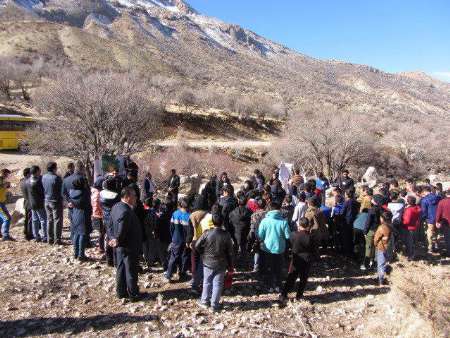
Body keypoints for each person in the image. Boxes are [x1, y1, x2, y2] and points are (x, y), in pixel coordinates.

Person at [109, 187, 144, 301]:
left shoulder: (116, 206)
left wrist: (112, 238)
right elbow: (122, 228)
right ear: (127, 197)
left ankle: (121, 292)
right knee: (131, 270)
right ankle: (133, 294)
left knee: (121, 268)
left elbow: (109, 225)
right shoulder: (125, 211)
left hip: (120, 246)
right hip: (128, 246)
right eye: (134, 195)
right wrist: (117, 239)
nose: (136, 198)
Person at [196, 211, 234, 312]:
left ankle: (204, 301)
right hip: (221, 262)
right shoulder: (226, 235)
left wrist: (203, 254)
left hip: (207, 261)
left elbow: (197, 246)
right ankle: (214, 305)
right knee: (218, 283)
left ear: (213, 222)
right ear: (222, 223)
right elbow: (230, 252)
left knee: (207, 281)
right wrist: (231, 265)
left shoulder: (207, 233)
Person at [258, 201, 291, 292]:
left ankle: (269, 286)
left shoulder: (264, 221)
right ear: (279, 209)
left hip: (267, 248)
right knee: (278, 268)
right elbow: (288, 236)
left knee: (268, 267)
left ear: (269, 209)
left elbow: (260, 235)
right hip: (279, 248)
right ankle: (278, 285)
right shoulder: (283, 222)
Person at [279, 217, 314, 303]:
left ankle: (284, 294)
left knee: (291, 277)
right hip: (306, 259)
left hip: (296, 258)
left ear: (299, 224)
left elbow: (289, 244)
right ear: (307, 226)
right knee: (303, 278)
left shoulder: (293, 235)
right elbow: (314, 249)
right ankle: (299, 295)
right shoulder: (310, 237)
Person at [165, 198, 191, 282]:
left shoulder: (175, 214)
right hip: (185, 240)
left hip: (176, 239)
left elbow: (171, 227)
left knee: (173, 257)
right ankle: (182, 274)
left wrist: (172, 237)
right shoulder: (189, 216)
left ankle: (169, 274)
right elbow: (190, 231)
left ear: (180, 205)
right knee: (184, 257)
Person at [69, 178, 92, 261]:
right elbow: (88, 204)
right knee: (82, 234)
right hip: (83, 214)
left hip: (75, 213)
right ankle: (81, 255)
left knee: (76, 233)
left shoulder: (71, 192)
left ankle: (75, 253)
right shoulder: (84, 193)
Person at [100, 178, 121, 266]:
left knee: (108, 238)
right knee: (115, 239)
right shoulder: (115, 196)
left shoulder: (102, 194)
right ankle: (116, 261)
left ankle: (109, 260)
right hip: (113, 218)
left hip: (105, 217)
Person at [42, 161, 63, 245]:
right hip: (55, 201)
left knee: (49, 220)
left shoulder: (43, 177)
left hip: (46, 200)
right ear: (54, 168)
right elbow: (61, 190)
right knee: (57, 220)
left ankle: (49, 239)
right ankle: (57, 239)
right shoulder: (56, 178)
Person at [62, 161, 86, 233]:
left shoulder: (66, 179)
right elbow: (87, 193)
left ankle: (74, 236)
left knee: (73, 220)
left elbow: (63, 192)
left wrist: (68, 201)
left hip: (72, 202)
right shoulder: (82, 179)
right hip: (79, 204)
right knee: (79, 223)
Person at [27, 166, 47, 243]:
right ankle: (44, 236)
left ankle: (36, 236)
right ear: (36, 171)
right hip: (39, 203)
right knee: (43, 219)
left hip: (31, 203)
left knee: (34, 220)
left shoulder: (28, 181)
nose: (40, 172)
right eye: (39, 171)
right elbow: (42, 193)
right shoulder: (37, 181)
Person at [363, 194, 384, 270]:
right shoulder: (382, 209)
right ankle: (375, 264)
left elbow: (368, 222)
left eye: (373, 199)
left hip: (371, 231)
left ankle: (366, 264)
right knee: (376, 247)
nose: (371, 199)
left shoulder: (372, 210)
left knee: (368, 247)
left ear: (375, 201)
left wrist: (365, 232)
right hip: (379, 231)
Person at [229, 195, 252, 260]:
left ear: (238, 202)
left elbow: (230, 222)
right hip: (245, 233)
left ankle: (234, 263)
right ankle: (244, 263)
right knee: (243, 248)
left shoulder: (232, 212)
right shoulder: (249, 212)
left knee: (235, 249)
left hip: (235, 233)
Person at [420, 185, 441, 253]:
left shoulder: (424, 200)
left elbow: (424, 211)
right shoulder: (438, 197)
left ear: (425, 191)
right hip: (439, 218)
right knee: (437, 232)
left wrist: (423, 218)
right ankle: (437, 245)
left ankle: (430, 247)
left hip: (429, 218)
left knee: (430, 232)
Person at [374, 211, 393, 286]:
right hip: (389, 247)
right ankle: (382, 277)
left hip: (381, 247)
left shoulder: (381, 227)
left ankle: (380, 280)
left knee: (380, 264)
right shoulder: (391, 226)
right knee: (385, 262)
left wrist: (375, 244)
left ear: (382, 218)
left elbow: (376, 238)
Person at [401, 196, 421, 260]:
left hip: (409, 228)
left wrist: (401, 223)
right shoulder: (418, 208)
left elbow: (407, 221)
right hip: (416, 226)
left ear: (408, 202)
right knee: (414, 241)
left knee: (409, 243)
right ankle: (414, 254)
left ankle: (410, 256)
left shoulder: (409, 210)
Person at [342, 190, 360, 256]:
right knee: (353, 236)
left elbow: (343, 212)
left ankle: (347, 252)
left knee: (347, 237)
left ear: (347, 194)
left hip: (347, 221)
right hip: (354, 220)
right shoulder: (356, 202)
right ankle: (353, 251)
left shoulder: (347, 202)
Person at [91, 177, 105, 253]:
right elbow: (96, 205)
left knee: (101, 232)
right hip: (98, 215)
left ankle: (101, 246)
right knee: (101, 232)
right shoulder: (98, 193)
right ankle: (101, 247)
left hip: (96, 214)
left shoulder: (94, 192)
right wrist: (101, 213)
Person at [436, 189, 450, 256]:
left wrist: (437, 221)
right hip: (446, 222)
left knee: (447, 238)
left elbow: (439, 213)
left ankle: (449, 252)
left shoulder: (442, 202)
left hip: (446, 223)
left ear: (446, 194)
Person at [20, 168, 33, 241]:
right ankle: (29, 234)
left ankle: (25, 231)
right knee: (30, 218)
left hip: (25, 201)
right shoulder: (29, 182)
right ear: (28, 174)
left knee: (27, 218)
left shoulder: (22, 181)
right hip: (30, 202)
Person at [0, 169, 13, 241]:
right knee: (7, 218)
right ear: (4, 173)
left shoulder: (3, 181)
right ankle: (5, 235)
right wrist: (4, 186)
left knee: (1, 219)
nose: (8, 176)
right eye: (8, 174)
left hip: (2, 203)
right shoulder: (1, 181)